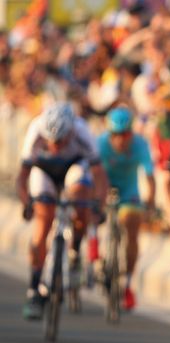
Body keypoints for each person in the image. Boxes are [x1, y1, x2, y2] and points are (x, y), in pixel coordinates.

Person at [17, 102, 108, 320]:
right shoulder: (36, 130)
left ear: (70, 132)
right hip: (44, 169)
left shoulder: (82, 131)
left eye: (61, 141)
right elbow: (22, 176)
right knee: (42, 222)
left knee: (80, 199)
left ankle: (75, 248)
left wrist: (98, 204)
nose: (56, 146)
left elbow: (99, 175)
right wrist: (26, 201)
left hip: (74, 166)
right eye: (52, 141)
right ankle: (35, 287)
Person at [97, 107, 156, 311]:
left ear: (131, 133)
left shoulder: (140, 145)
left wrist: (149, 203)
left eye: (125, 135)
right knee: (90, 212)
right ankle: (94, 250)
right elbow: (91, 172)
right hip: (104, 185)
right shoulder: (101, 143)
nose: (120, 140)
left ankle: (128, 283)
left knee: (132, 225)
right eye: (116, 135)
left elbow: (149, 176)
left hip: (129, 190)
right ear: (109, 134)